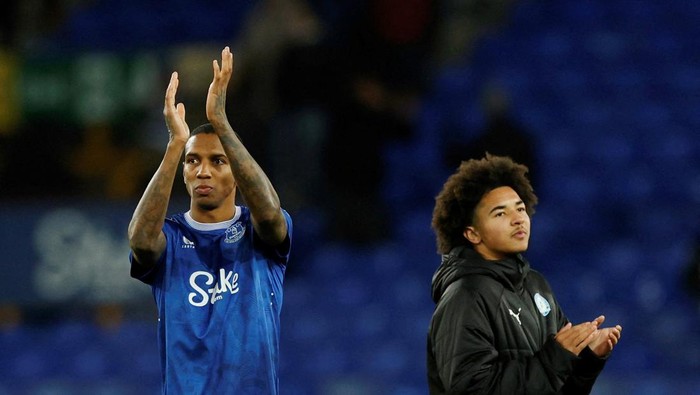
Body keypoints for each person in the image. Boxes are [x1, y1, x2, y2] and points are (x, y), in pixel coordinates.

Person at [127, 47, 292, 394]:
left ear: (236, 173)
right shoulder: (169, 237)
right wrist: (175, 146)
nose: (203, 171)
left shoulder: (257, 232)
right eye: (193, 161)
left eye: (217, 161)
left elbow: (270, 214)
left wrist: (221, 122)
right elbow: (140, 240)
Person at [427, 154, 621, 394]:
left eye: (520, 209)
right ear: (472, 234)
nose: (518, 219)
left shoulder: (536, 285)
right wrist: (556, 358)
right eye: (500, 213)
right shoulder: (465, 295)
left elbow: (558, 388)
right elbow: (472, 389)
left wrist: (587, 361)